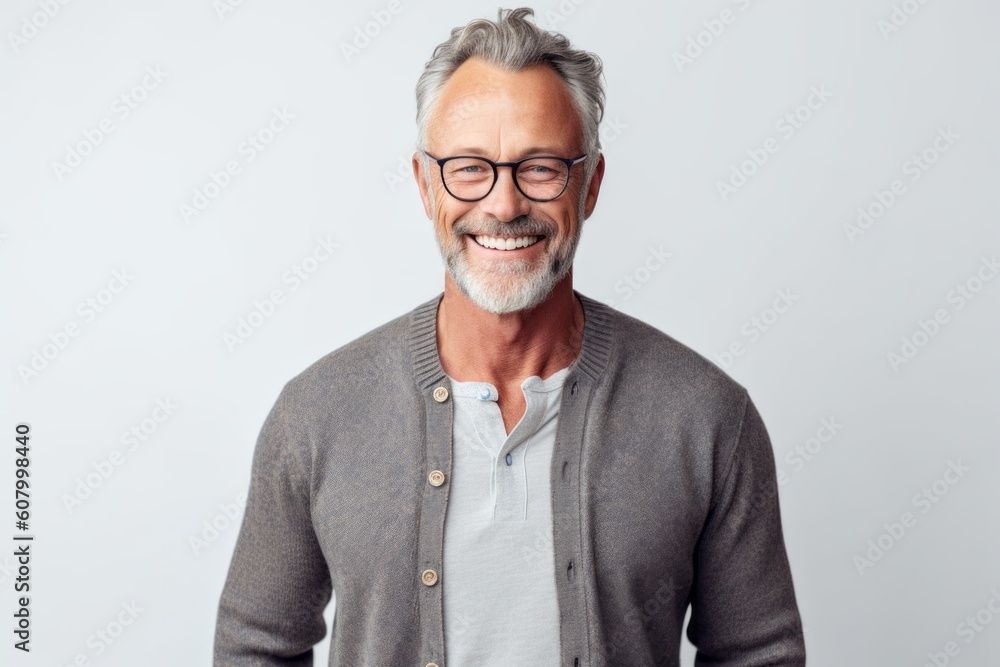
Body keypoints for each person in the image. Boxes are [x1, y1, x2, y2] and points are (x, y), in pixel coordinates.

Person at [213, 7, 806, 666]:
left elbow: (759, 654)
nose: (503, 204)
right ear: (423, 183)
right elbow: (254, 647)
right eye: (469, 167)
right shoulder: (318, 413)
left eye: (541, 167)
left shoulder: (705, 416)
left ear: (591, 184)